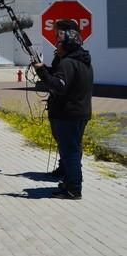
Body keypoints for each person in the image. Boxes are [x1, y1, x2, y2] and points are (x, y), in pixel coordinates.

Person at [33, 19, 93, 200]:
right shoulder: (83, 62)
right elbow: (63, 79)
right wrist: (44, 69)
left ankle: (73, 189)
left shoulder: (67, 63)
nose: (56, 47)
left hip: (68, 115)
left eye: (59, 44)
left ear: (67, 46)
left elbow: (58, 85)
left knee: (70, 152)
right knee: (72, 149)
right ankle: (69, 183)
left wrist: (42, 72)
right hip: (79, 112)